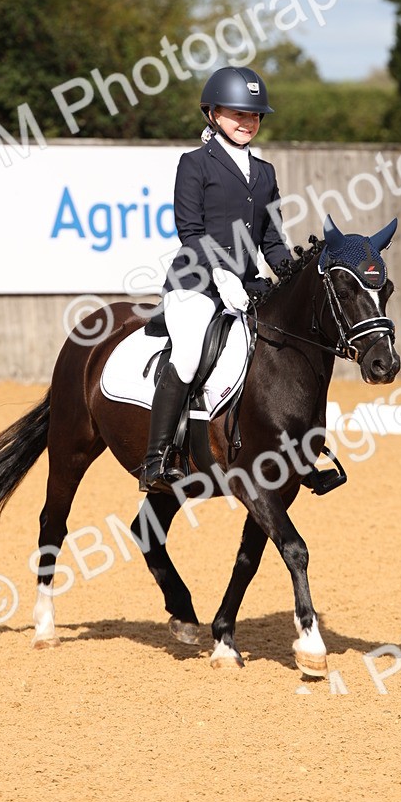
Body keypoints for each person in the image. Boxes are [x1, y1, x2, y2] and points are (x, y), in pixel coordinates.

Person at [139, 65, 293, 493]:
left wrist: (290, 272)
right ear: (213, 114)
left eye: (254, 116)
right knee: (188, 353)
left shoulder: (264, 173)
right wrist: (222, 274)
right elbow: (190, 231)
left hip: (247, 287)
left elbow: (273, 241)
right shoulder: (194, 164)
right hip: (196, 283)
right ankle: (156, 460)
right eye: (237, 114)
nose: (247, 122)